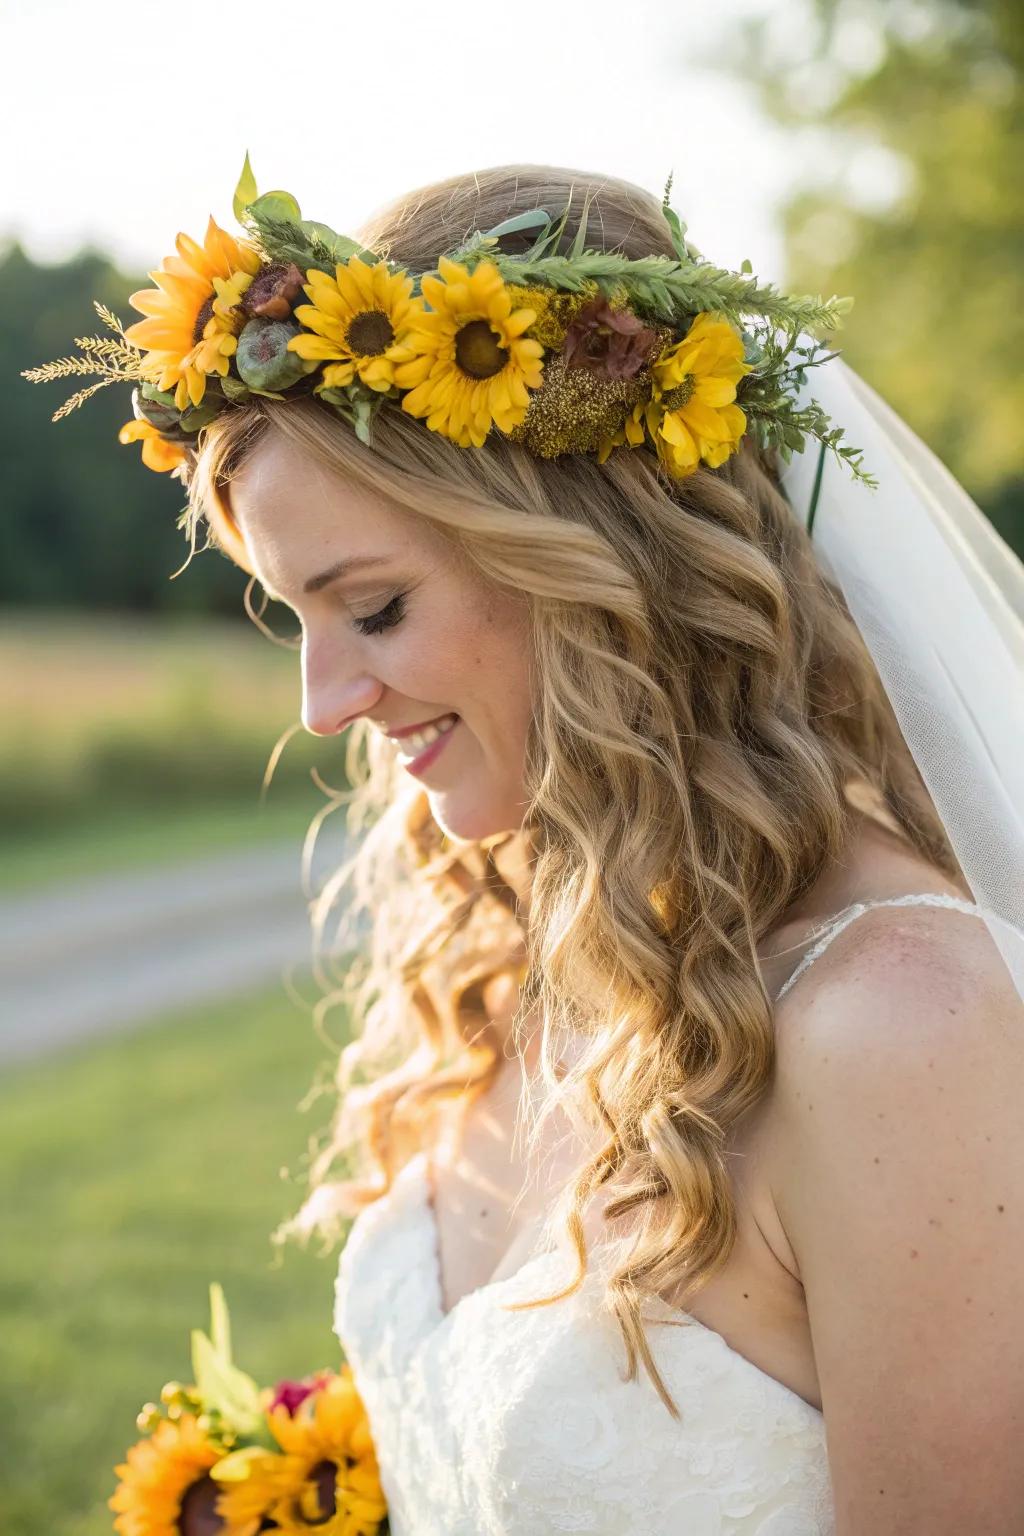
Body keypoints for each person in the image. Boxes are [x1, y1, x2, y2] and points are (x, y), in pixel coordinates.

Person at [26, 161, 1024, 1533]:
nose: (324, 706)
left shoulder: (904, 1029)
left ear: (596, 565)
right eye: (292, 619)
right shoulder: (515, 938)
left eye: (372, 608)